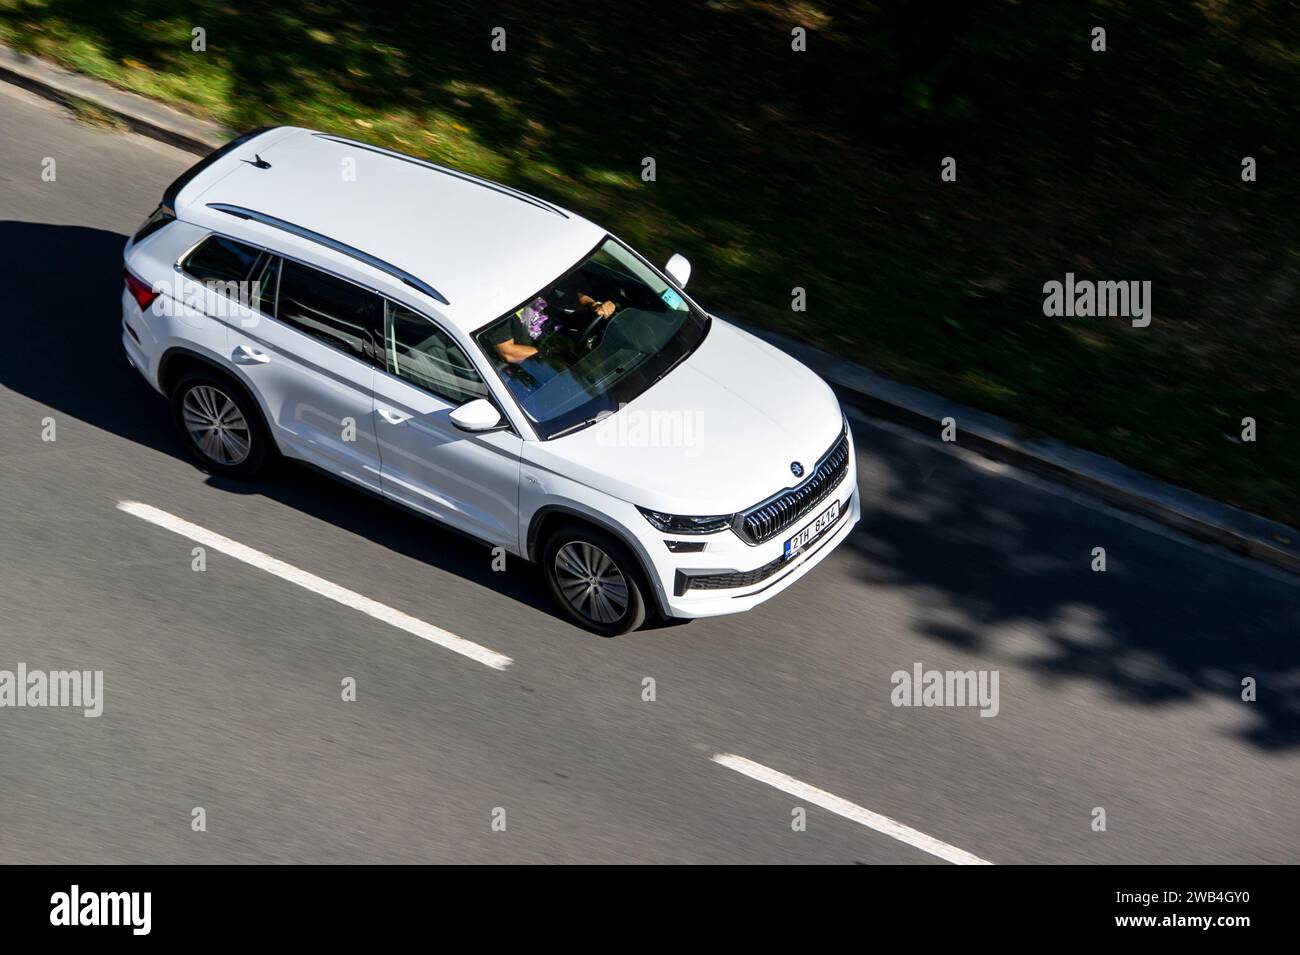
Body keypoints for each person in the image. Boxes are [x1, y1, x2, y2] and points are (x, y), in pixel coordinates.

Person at [494, 293, 616, 364]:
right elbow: (507, 352)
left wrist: (595, 305)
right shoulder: (497, 314)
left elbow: (576, 296)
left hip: (568, 335)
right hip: (543, 356)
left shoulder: (538, 282)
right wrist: (550, 353)